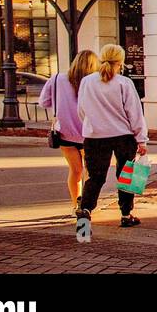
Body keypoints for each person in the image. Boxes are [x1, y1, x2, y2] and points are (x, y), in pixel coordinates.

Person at [76, 44, 148, 227]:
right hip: (122, 135)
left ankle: (85, 210)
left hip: (95, 136)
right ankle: (126, 214)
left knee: (96, 176)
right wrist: (141, 138)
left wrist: (92, 123)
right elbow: (134, 112)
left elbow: (81, 110)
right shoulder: (124, 83)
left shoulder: (87, 82)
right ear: (121, 62)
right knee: (126, 175)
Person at [37, 49, 99, 212]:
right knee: (89, 172)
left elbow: (43, 102)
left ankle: (75, 204)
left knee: (75, 170)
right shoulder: (95, 82)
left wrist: (62, 104)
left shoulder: (57, 79)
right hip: (89, 133)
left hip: (65, 132)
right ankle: (86, 205)